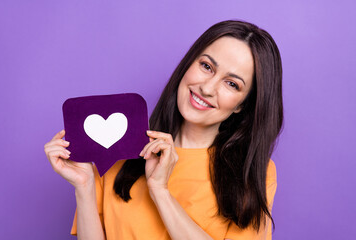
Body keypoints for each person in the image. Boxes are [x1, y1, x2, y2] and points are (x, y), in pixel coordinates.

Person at [44, 20, 283, 240]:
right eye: (207, 66)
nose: (208, 88)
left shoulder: (253, 173)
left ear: (243, 104)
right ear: (188, 64)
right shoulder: (120, 146)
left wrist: (160, 191)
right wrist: (84, 186)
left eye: (232, 84)